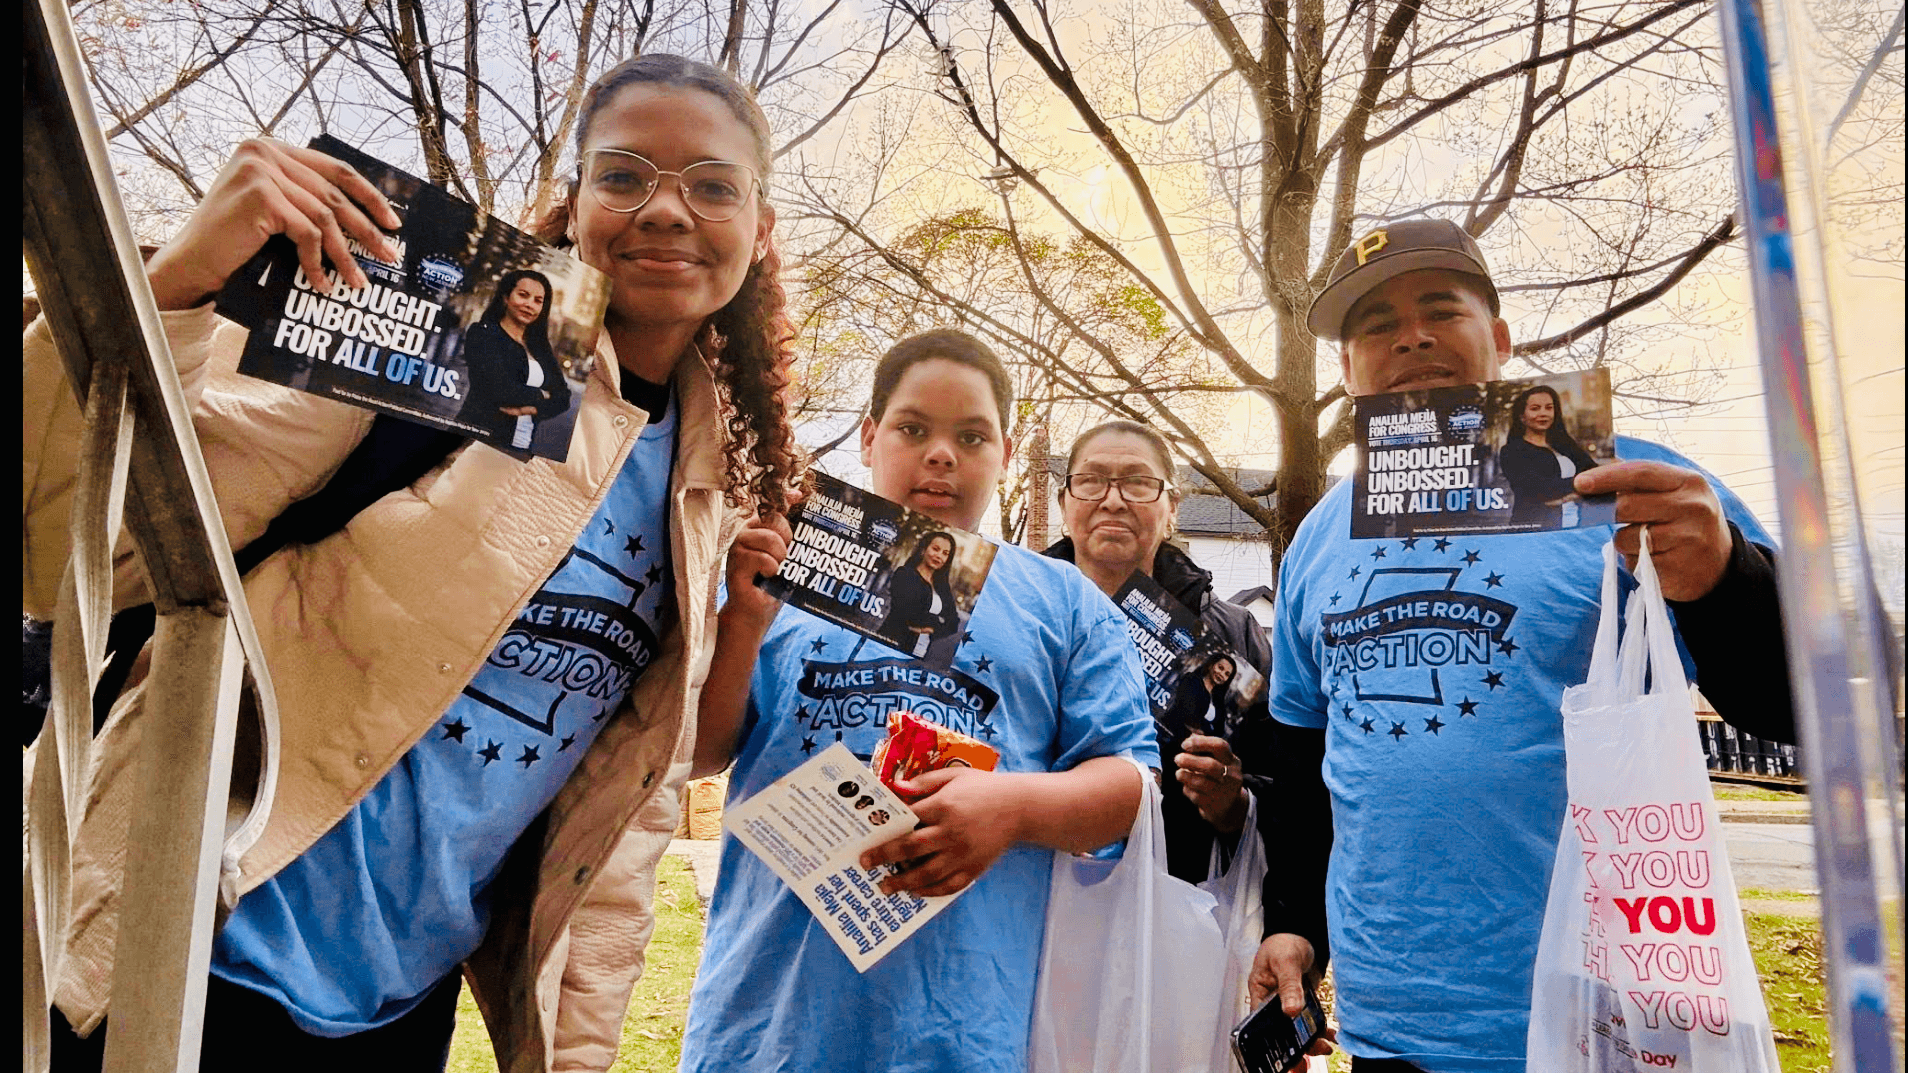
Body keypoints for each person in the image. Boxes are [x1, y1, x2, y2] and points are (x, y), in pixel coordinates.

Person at [25, 53, 802, 1071]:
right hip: (184, 954)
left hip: (392, 1015)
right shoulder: (447, 343)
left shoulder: (707, 496)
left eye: (711, 184)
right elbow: (70, 548)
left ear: (759, 225)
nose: (665, 210)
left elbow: (627, 808)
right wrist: (174, 285)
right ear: (572, 207)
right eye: (623, 176)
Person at [1251, 218, 1796, 1071]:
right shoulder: (1321, 534)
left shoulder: (1629, 486)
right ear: (1350, 373)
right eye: (1374, 327)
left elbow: (1804, 706)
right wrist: (1291, 919)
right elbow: (1299, 748)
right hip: (1388, 1023)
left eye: (1441, 308)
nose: (1412, 336)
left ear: (1501, 340)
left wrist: (1725, 577)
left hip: (1601, 1021)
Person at [681, 328, 1158, 1072]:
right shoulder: (779, 567)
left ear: (1005, 453)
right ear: (870, 437)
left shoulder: (1063, 600)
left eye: (972, 436)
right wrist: (741, 618)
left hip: (969, 1032)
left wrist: (1012, 808)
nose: (942, 454)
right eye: (912, 429)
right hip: (767, 1025)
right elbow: (700, 751)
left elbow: (1132, 789)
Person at [456, 268, 572, 451]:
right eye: (523, 295)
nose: (529, 305)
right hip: (472, 441)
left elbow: (564, 398)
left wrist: (530, 410)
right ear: (505, 297)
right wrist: (543, 395)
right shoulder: (482, 333)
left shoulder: (540, 348)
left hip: (520, 446)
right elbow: (499, 390)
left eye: (538, 301)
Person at [1498, 383, 1600, 527]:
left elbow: (1593, 472)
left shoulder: (1565, 445)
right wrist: (1581, 489)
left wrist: (1563, 496)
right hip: (1534, 531)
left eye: (1549, 408)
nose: (1543, 413)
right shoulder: (1512, 451)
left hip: (1575, 526)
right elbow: (1540, 490)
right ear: (1522, 416)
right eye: (1535, 409)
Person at [878, 530, 960, 659]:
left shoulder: (941, 587)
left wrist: (930, 629)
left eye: (945, 553)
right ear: (923, 549)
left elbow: (953, 622)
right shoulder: (905, 574)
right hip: (890, 646)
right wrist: (937, 621)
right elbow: (907, 615)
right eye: (935, 549)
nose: (939, 556)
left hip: (919, 654)